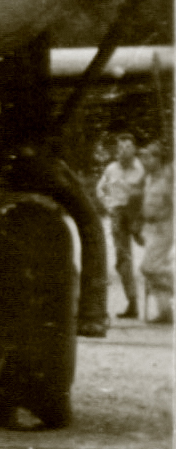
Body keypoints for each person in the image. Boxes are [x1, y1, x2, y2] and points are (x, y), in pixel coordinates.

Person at [96, 133, 146, 319]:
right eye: (120, 147)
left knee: (154, 256)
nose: (123, 151)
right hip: (118, 213)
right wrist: (108, 204)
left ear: (134, 149)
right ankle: (132, 303)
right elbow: (100, 189)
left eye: (127, 147)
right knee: (123, 258)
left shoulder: (141, 169)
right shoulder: (111, 169)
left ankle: (164, 303)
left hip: (137, 215)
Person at [140, 141, 172, 325]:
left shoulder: (168, 179)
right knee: (153, 269)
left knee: (149, 267)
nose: (145, 160)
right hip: (151, 228)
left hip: (164, 227)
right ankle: (165, 311)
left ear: (158, 158)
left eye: (149, 156)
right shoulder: (149, 178)